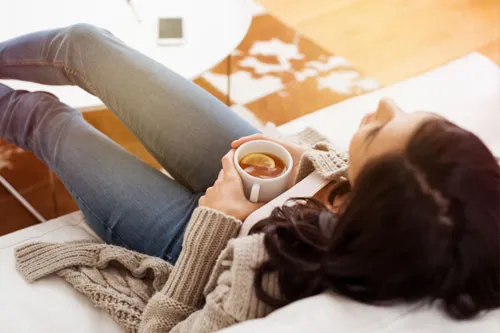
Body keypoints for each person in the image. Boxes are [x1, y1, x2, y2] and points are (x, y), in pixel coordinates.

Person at [2, 24, 498, 332]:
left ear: (357, 210)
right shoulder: (439, 202)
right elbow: (356, 175)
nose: (385, 104)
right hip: (264, 181)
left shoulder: (266, 276)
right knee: (84, 43)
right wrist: (307, 160)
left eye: (377, 130)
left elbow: (167, 329)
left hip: (200, 239)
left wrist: (214, 223)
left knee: (46, 120)